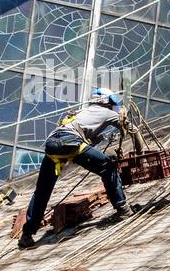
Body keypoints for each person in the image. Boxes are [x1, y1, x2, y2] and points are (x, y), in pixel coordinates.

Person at [18, 88, 132, 249]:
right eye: (113, 104)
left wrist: (95, 139)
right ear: (106, 102)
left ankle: (26, 235)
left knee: (41, 192)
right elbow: (128, 125)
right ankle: (123, 209)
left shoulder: (80, 112)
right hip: (71, 143)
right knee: (108, 166)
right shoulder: (106, 112)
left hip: (53, 145)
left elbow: (85, 134)